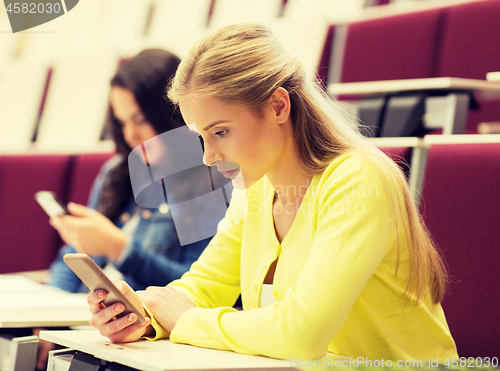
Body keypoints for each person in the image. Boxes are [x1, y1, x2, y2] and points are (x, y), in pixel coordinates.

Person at [87, 25, 458, 362]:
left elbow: (302, 334)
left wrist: (185, 319)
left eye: (221, 132)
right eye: (201, 136)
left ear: (278, 106)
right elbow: (204, 286)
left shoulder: (358, 179)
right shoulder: (256, 186)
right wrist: (144, 317)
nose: (208, 155)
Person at [47, 49, 212, 293]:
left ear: (173, 113)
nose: (130, 135)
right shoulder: (115, 171)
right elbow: (72, 255)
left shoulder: (208, 180)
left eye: (141, 120)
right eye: (123, 122)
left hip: (140, 325)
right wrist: (49, 308)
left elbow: (200, 287)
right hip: (84, 318)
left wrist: (119, 248)